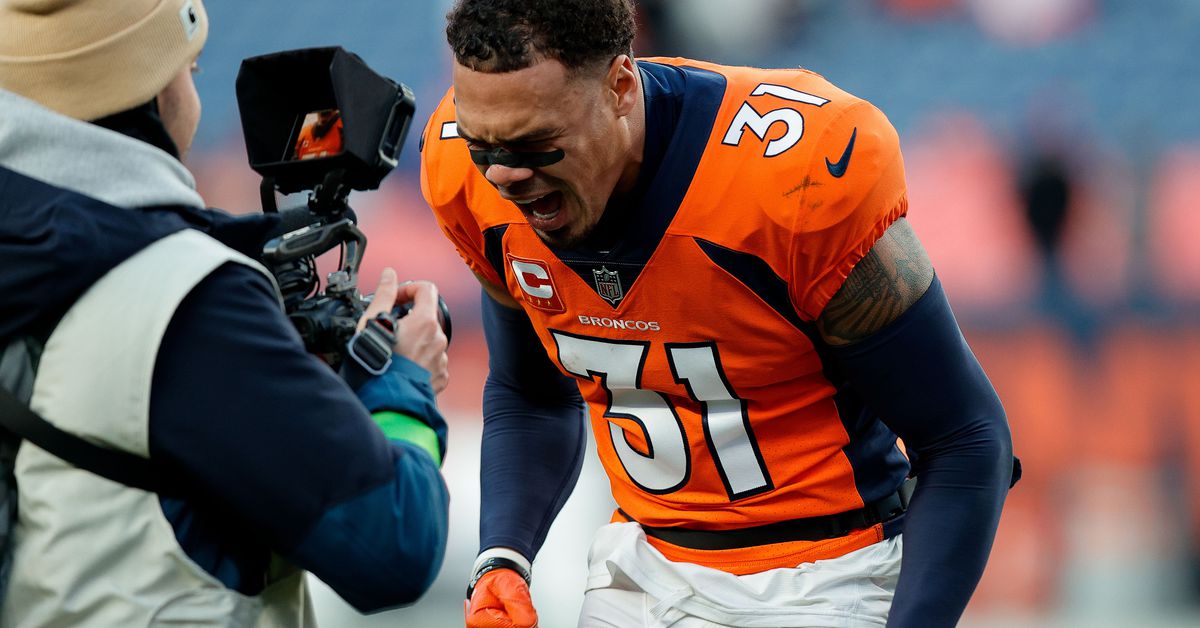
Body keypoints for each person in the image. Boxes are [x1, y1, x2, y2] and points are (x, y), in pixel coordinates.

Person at [420, 1, 1018, 626]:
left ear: (620, 88)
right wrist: (503, 555)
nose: (504, 174)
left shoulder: (789, 177)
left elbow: (964, 438)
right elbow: (533, 392)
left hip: (826, 578)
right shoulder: (467, 176)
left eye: (536, 143)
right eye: (482, 144)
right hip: (642, 568)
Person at [0, 0, 450, 625]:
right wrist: (402, 379)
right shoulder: (186, 299)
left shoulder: (34, 251)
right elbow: (397, 542)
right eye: (190, 69)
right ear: (153, 90)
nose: (193, 85)